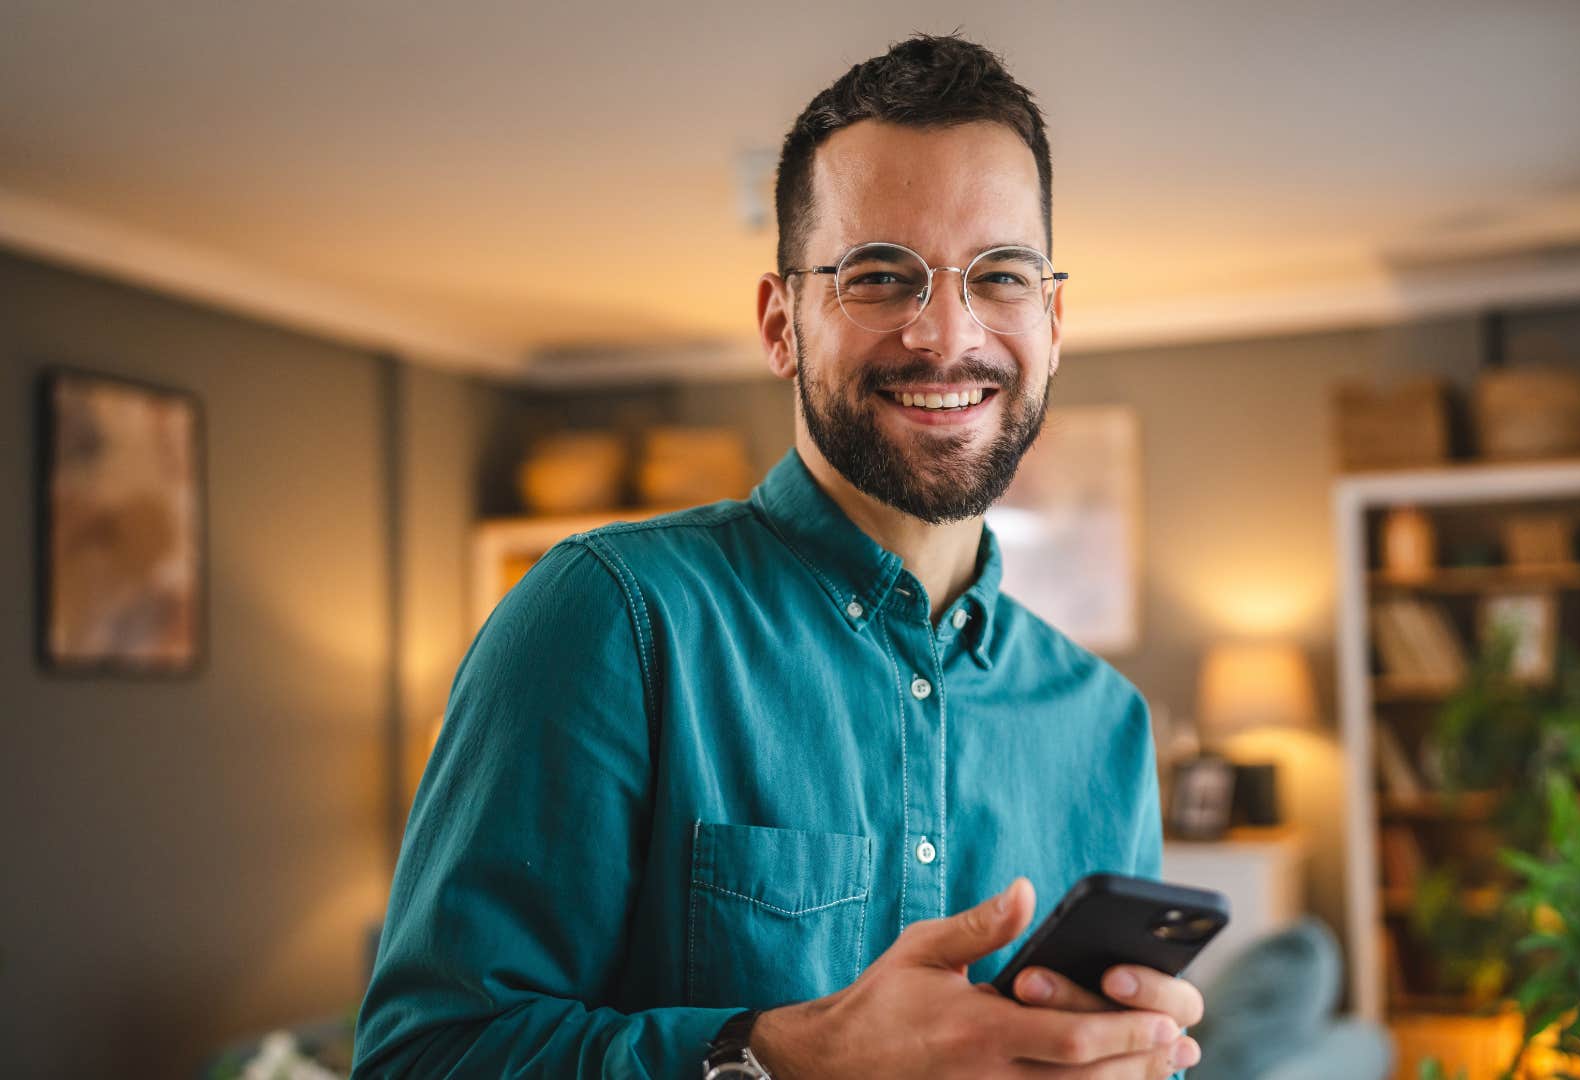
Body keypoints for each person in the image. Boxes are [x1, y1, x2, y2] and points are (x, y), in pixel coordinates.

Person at [353, 34, 1203, 1079]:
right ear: (780, 321)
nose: (947, 334)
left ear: (1054, 320)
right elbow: (421, 1059)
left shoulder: (1104, 729)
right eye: (881, 276)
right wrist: (783, 1055)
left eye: (1003, 275)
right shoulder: (608, 620)